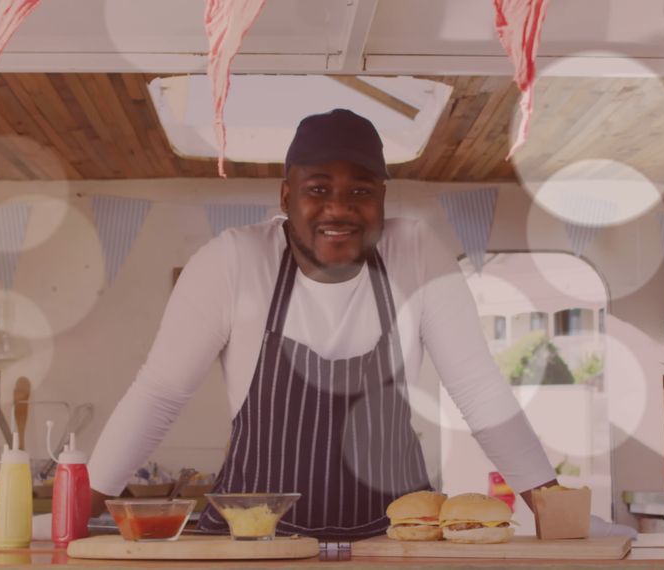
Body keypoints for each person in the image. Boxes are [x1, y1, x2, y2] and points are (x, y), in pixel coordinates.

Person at [84, 109, 634, 539]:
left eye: (361, 191)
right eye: (318, 188)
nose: (339, 208)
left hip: (393, 542)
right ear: (285, 196)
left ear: (383, 198)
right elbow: (158, 397)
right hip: (251, 545)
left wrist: (557, 512)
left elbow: (477, 388)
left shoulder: (416, 252)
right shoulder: (232, 261)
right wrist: (71, 520)